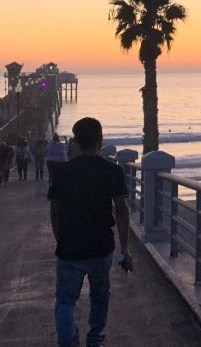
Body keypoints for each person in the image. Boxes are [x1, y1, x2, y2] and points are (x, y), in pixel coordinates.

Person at [49, 117, 131, 347]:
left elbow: (54, 212)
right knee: (100, 297)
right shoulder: (111, 171)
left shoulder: (62, 172)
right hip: (101, 246)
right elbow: (122, 211)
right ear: (100, 140)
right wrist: (125, 248)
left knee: (65, 301)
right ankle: (95, 340)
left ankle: (67, 341)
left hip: (69, 249)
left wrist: (60, 239)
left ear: (75, 141)